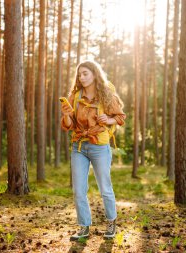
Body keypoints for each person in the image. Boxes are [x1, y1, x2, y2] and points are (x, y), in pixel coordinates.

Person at [61, 60, 126, 240]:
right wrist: (66, 115)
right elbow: (69, 126)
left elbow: (120, 117)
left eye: (85, 74)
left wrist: (108, 119)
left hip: (99, 146)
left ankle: (111, 222)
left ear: (95, 74)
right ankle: (84, 226)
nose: (81, 77)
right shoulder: (75, 96)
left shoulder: (106, 94)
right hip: (79, 146)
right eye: (79, 74)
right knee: (79, 190)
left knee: (105, 187)